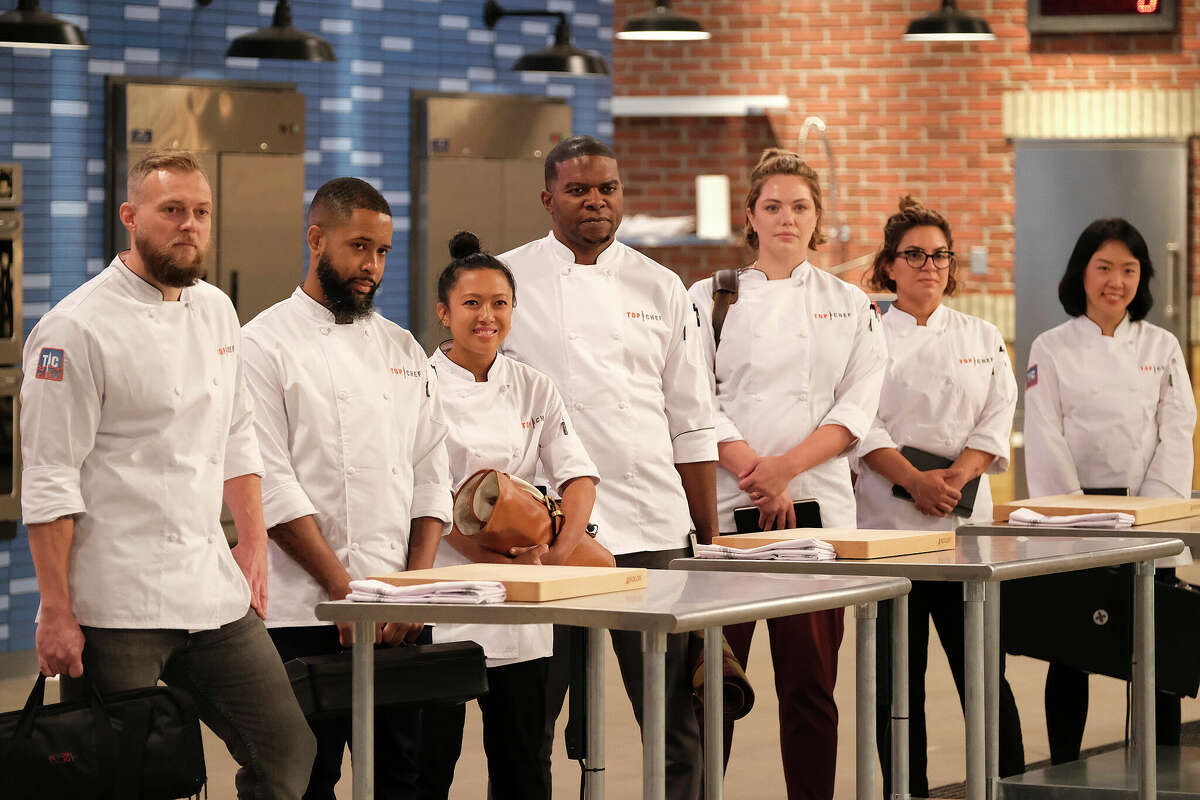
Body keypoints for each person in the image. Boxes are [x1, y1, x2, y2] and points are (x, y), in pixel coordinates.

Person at [20, 149, 315, 798]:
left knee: (288, 750)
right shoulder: (73, 329)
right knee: (124, 775)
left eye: (201, 212)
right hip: (115, 600)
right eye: (171, 210)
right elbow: (49, 482)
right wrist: (56, 610)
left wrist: (255, 540)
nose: (188, 224)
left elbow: (239, 433)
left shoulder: (215, 310)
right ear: (130, 217)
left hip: (209, 591)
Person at [499, 135, 718, 800]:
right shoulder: (506, 281)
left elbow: (692, 421)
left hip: (652, 523)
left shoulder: (661, 285)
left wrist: (707, 543)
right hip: (547, 533)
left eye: (607, 189)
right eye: (578, 190)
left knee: (677, 723)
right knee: (530, 722)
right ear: (547, 198)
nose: (595, 201)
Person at [240, 177, 453, 799]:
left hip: (397, 612)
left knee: (402, 778)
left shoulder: (402, 347)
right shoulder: (263, 343)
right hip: (306, 610)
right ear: (316, 239)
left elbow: (430, 474)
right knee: (304, 777)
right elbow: (270, 486)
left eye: (383, 252)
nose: (372, 267)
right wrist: (344, 592)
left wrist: (410, 592)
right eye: (360, 248)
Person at [688, 148, 887, 800]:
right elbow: (690, 398)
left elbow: (857, 406)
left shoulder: (850, 306)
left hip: (817, 515)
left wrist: (786, 471)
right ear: (750, 216)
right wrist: (752, 469)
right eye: (772, 206)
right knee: (714, 687)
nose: (786, 218)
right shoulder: (707, 297)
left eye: (800, 206)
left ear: (817, 217)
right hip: (727, 512)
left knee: (810, 688)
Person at [417, 231, 600, 800]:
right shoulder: (417, 386)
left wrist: (553, 556)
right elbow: (424, 498)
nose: (486, 316)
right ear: (444, 312)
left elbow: (578, 475)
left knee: (524, 762)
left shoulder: (532, 385)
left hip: (522, 605)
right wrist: (493, 556)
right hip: (444, 593)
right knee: (428, 764)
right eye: (471, 304)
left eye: (499, 304)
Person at [854, 196, 1024, 795]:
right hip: (888, 528)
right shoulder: (868, 331)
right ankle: (908, 791)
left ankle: (1005, 785)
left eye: (940, 255)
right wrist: (914, 480)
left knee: (984, 675)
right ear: (890, 266)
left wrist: (954, 477)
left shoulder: (980, 333)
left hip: (962, 530)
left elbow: (997, 413)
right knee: (897, 682)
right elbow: (859, 421)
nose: (929, 265)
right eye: (915, 255)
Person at [1025, 217, 1195, 763]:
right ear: (1082, 273)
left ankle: (1162, 767)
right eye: (1104, 268)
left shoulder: (1162, 344)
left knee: (1158, 649)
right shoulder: (1050, 347)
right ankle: (1062, 768)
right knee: (1070, 649)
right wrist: (1076, 516)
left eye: (1128, 269)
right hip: (1077, 520)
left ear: (1142, 277)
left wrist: (1151, 512)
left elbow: (1178, 428)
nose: (1115, 281)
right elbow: (1045, 434)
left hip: (1151, 516)